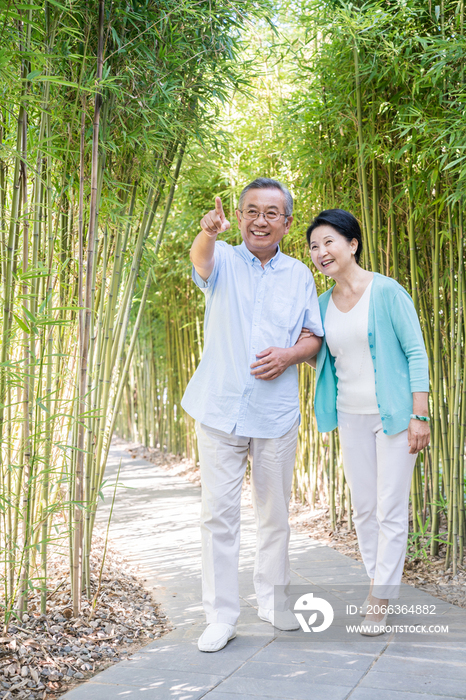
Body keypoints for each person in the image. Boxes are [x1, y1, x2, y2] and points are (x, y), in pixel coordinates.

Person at [181, 178, 323, 652]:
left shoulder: (300, 275)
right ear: (238, 216)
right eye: (251, 211)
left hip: (275, 413)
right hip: (220, 408)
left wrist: (288, 355)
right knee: (217, 516)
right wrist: (208, 231)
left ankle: (273, 600)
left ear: (286, 222)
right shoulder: (221, 258)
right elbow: (200, 260)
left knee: (274, 515)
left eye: (271, 213)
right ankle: (220, 617)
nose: (261, 220)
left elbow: (313, 337)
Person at [305, 208, 430, 636]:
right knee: (364, 510)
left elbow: (416, 352)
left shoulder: (388, 292)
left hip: (394, 417)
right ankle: (378, 584)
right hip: (350, 415)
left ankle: (379, 599)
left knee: (391, 509)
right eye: (314, 246)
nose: (321, 252)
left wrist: (420, 414)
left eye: (329, 242)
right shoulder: (320, 305)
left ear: (352, 244)